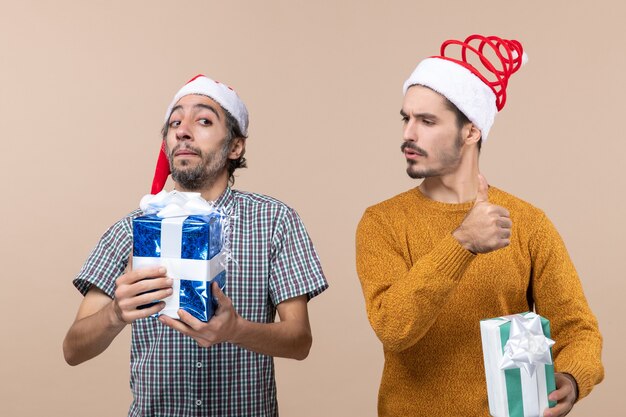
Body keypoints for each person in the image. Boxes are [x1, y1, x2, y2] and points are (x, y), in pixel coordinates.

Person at [355, 35, 603, 417]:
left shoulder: (528, 223)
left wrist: (571, 379)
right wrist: (462, 244)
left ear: (471, 131)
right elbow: (393, 327)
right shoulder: (382, 223)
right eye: (407, 118)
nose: (408, 133)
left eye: (427, 121)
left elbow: (578, 330)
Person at [63, 74, 328, 416]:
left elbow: (300, 341)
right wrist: (115, 313)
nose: (183, 130)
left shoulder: (275, 221)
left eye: (203, 120)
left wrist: (236, 330)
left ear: (235, 146)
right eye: (174, 122)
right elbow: (73, 349)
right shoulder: (130, 230)